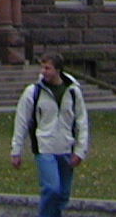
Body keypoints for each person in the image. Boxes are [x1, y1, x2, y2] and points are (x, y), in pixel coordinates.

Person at [10, 53, 90, 217]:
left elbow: (81, 121)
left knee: (63, 194)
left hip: (66, 147)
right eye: (42, 67)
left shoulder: (73, 92)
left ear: (58, 70)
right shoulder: (33, 92)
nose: (43, 72)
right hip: (44, 147)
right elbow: (21, 121)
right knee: (52, 189)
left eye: (48, 68)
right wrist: (16, 150)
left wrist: (80, 150)